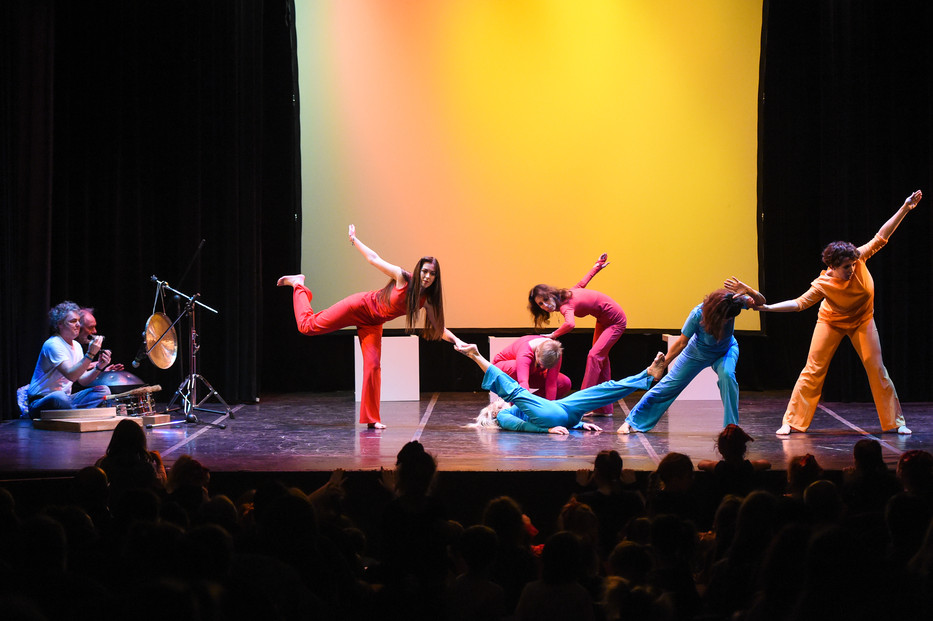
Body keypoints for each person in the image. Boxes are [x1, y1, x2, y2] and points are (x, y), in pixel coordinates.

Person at [756, 190, 921, 435]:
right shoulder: (823, 283)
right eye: (846, 267)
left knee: (877, 368)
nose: (852, 269)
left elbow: (881, 236)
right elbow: (799, 303)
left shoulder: (859, 258)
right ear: (831, 267)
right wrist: (768, 307)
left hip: (862, 321)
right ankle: (791, 422)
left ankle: (896, 422)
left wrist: (905, 208)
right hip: (831, 322)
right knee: (813, 369)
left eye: (853, 264)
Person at [277, 225, 466, 428]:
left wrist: (457, 340)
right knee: (307, 326)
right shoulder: (403, 277)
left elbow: (439, 329)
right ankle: (298, 284)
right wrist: (355, 240)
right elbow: (374, 258)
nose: (427, 277)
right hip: (358, 306)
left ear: (436, 278)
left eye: (432, 274)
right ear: (419, 270)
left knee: (373, 366)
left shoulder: (426, 300)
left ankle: (371, 418)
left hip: (374, 323)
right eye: (425, 271)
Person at [617, 283, 765, 434]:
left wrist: (750, 291)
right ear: (716, 314)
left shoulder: (734, 301)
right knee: (667, 387)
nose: (728, 321)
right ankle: (631, 422)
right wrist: (663, 364)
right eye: (727, 318)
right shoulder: (697, 314)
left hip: (725, 350)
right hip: (697, 353)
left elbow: (761, 303)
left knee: (727, 376)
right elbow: (682, 342)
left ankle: (731, 427)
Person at [458, 342, 666, 434]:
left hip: (561, 411)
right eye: (495, 405)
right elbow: (521, 427)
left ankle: (646, 376)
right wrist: (546, 430)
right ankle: (476, 355)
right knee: (514, 390)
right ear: (494, 414)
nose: (497, 402)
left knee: (602, 389)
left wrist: (576, 425)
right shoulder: (504, 417)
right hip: (549, 418)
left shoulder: (521, 409)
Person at [529, 253, 625, 415]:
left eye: (545, 300)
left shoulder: (566, 306)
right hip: (603, 321)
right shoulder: (568, 293)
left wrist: (553, 335)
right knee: (602, 361)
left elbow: (570, 324)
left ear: (551, 294)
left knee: (594, 356)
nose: (545, 306)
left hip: (616, 322)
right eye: (541, 305)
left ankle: (581, 403)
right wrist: (597, 266)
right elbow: (582, 283)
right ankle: (604, 409)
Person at [26, 301, 113, 417]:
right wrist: (91, 354)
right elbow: (71, 375)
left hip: (65, 401)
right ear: (60, 324)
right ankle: (77, 414)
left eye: (78, 321)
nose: (78, 325)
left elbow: (82, 380)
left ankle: (72, 413)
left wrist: (99, 367)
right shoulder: (53, 344)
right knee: (59, 397)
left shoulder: (76, 346)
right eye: (73, 321)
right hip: (42, 401)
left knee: (103, 391)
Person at [492, 334, 571, 401]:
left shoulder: (555, 353)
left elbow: (551, 383)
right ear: (537, 351)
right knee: (515, 367)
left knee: (564, 383)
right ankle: (517, 406)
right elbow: (523, 382)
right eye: (540, 364)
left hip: (532, 372)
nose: (543, 367)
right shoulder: (525, 352)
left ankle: (538, 405)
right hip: (504, 373)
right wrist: (525, 406)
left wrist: (549, 407)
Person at [77, 307, 124, 372]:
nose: (95, 331)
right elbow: (73, 375)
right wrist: (94, 363)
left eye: (94, 327)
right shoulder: (65, 345)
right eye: (91, 327)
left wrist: (104, 372)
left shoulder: (81, 347)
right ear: (77, 327)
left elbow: (83, 377)